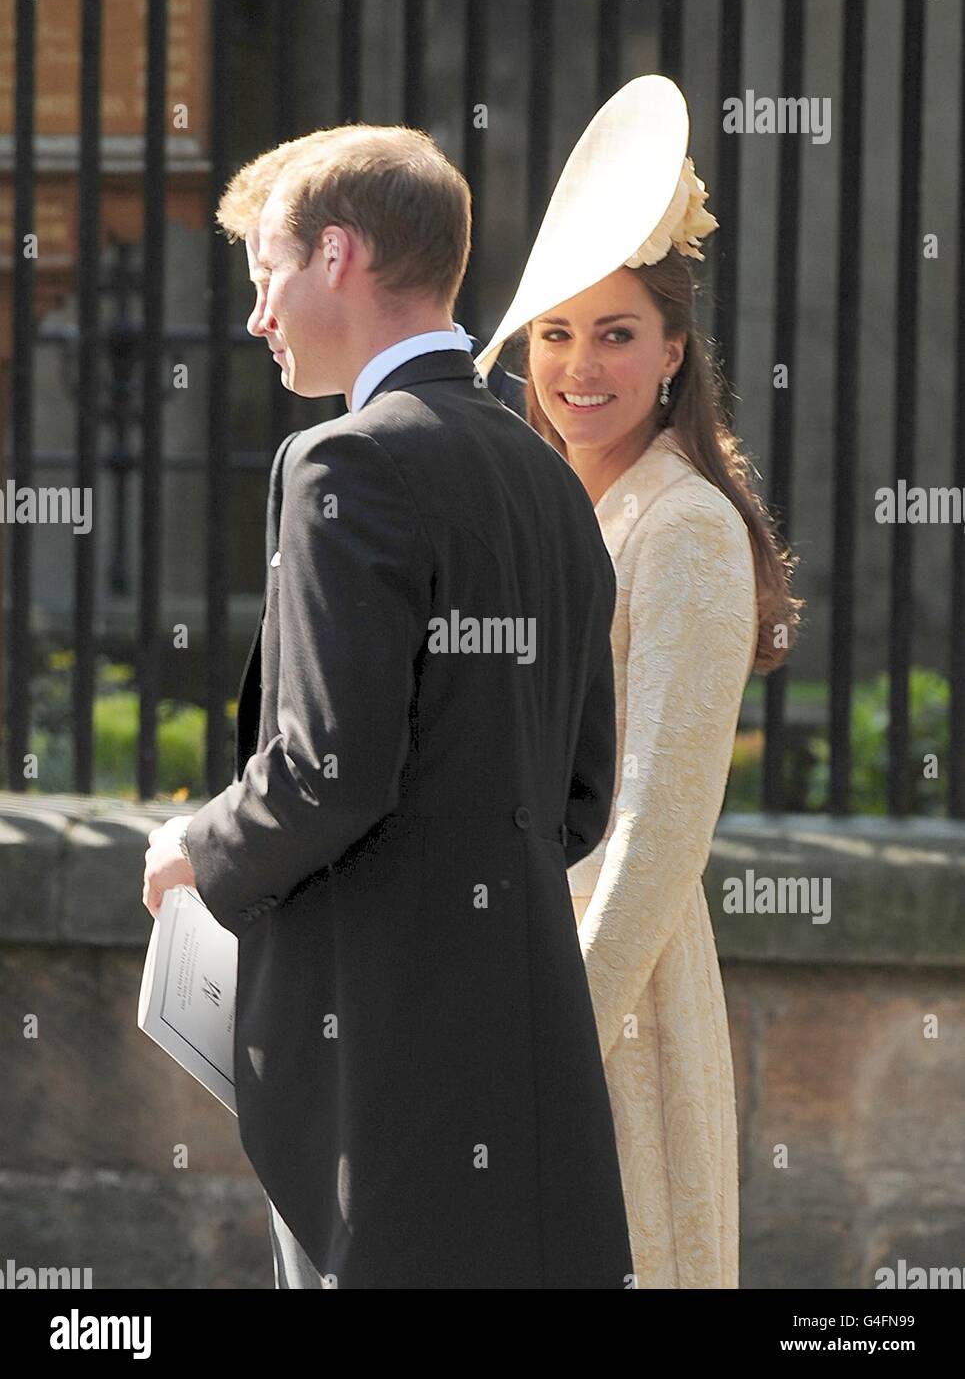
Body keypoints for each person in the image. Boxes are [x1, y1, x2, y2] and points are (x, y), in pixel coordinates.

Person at [141, 123, 633, 1289]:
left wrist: (194, 849)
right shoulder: (547, 478)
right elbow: (576, 800)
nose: (257, 313)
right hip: (521, 1067)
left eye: (266, 271)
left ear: (336, 256)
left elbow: (327, 771)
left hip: (375, 1068)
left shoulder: (343, 462)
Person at [477, 75, 804, 1288]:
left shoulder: (684, 526)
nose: (578, 366)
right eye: (555, 333)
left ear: (673, 350)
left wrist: (557, 1030)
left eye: (615, 333)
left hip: (613, 999)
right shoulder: (568, 504)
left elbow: (657, 825)